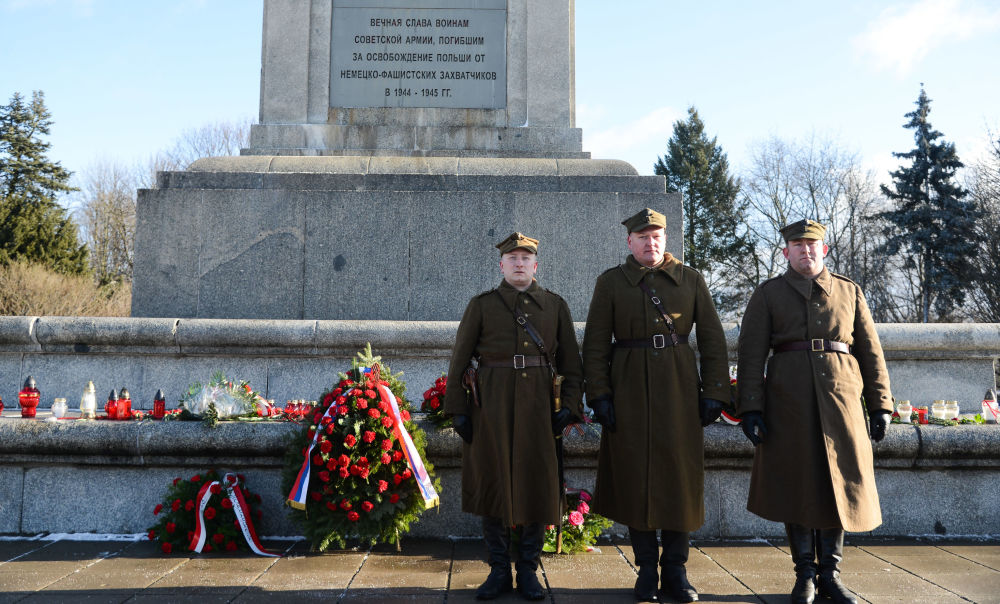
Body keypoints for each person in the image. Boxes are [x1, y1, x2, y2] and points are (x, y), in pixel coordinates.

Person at [736, 219, 893, 604]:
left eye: (813, 245)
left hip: (841, 400)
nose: (806, 251)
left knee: (838, 484)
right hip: (789, 404)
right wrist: (751, 408)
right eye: (798, 245)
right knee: (798, 485)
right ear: (786, 251)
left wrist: (880, 404)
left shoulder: (849, 291)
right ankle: (804, 574)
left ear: (824, 249)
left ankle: (830, 575)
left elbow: (871, 352)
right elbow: (751, 355)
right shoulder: (768, 294)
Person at [582, 208, 730, 603]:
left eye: (657, 236)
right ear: (629, 242)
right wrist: (599, 394)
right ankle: (646, 569)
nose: (651, 242)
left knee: (679, 481)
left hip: (680, 390)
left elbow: (713, 339)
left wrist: (715, 391)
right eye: (643, 236)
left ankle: (676, 571)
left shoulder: (691, 280)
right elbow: (595, 344)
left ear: (666, 239)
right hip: (627, 390)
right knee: (636, 479)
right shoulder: (611, 283)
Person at [444, 232, 583, 601]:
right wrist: (458, 408)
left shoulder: (554, 306)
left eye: (526, 258)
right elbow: (459, 359)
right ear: (501, 265)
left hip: (540, 407)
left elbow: (572, 362)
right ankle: (499, 570)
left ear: (535, 266)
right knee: (494, 485)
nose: (519, 263)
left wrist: (569, 405)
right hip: (491, 407)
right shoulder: (482, 305)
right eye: (512, 258)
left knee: (538, 486)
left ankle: (528, 570)